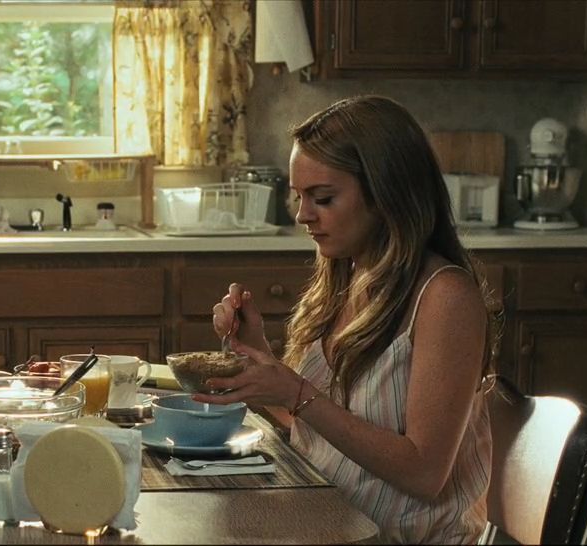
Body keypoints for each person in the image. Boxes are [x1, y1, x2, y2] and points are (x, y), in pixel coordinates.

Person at [203, 95, 497, 544]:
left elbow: (424, 473)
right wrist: (256, 357)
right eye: (299, 197)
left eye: (323, 198)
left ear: (386, 194)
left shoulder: (445, 297)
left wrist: (295, 391)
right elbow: (317, 428)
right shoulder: (347, 277)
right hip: (330, 525)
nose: (303, 215)